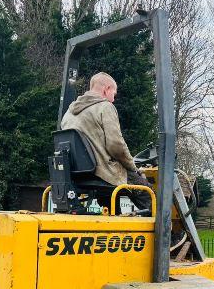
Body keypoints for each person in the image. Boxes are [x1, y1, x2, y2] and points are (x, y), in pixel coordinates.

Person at [60, 72, 152, 212]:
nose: (113, 100)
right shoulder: (105, 107)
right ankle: (166, 232)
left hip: (78, 175)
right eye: (113, 94)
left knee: (110, 203)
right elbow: (116, 146)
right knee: (146, 192)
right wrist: (133, 167)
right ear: (106, 89)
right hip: (103, 172)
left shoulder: (68, 113)